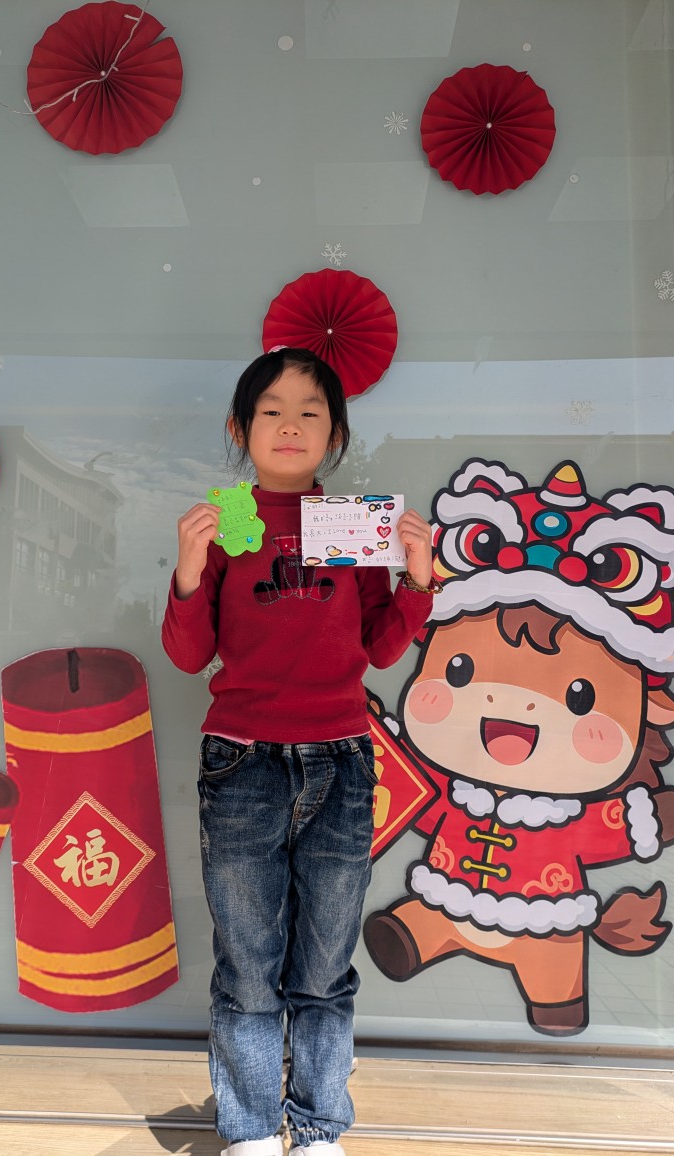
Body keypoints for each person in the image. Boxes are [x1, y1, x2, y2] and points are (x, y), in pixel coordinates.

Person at [161, 347, 437, 1156]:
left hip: (342, 760)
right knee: (248, 964)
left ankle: (317, 1127)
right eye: (271, 411)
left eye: (310, 412)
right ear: (239, 428)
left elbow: (381, 647)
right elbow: (188, 654)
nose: (290, 425)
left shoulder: (355, 525)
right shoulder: (223, 522)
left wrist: (418, 577)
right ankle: (250, 1127)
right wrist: (187, 570)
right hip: (241, 760)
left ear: (336, 435)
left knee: (325, 965)